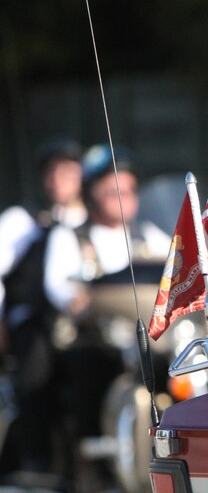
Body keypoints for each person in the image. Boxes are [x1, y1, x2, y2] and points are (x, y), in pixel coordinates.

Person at [41, 144, 171, 439]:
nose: (123, 200)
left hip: (149, 340)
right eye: (114, 193)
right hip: (98, 338)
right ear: (92, 194)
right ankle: (94, 452)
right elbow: (58, 286)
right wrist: (78, 301)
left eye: (129, 192)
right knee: (88, 364)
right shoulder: (71, 236)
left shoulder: (146, 234)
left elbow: (177, 264)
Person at [0, 139, 87, 469]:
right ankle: (35, 456)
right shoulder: (23, 221)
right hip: (34, 321)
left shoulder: (93, 222)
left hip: (82, 322)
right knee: (38, 361)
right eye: (51, 173)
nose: (58, 181)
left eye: (66, 172)